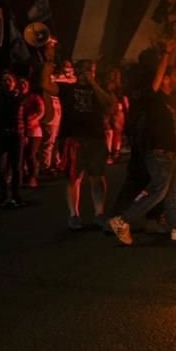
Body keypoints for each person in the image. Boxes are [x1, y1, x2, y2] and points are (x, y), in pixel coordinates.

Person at [108, 40, 176, 245]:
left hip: (168, 150)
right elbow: (157, 79)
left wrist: (172, 48)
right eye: (174, 75)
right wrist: (166, 55)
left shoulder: (164, 98)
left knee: (172, 191)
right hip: (159, 150)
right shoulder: (153, 96)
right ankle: (122, 220)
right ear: (165, 78)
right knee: (159, 189)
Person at [41, 48, 115, 230]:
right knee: (74, 178)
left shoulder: (101, 89)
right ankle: (74, 214)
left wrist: (93, 83)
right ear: (77, 71)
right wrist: (48, 65)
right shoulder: (67, 88)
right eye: (83, 70)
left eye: (90, 70)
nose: (86, 74)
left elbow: (110, 105)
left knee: (97, 176)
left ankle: (99, 213)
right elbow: (45, 85)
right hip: (73, 138)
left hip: (95, 137)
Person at [0, 71, 24, 208]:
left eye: (9, 80)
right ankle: (3, 195)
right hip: (0, 134)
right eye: (4, 80)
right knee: (1, 167)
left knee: (17, 167)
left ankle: (16, 195)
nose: (7, 82)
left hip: (16, 134)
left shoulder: (19, 97)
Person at [18, 77, 45, 187]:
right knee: (22, 155)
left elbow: (41, 111)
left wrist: (33, 119)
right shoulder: (17, 98)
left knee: (30, 154)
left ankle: (32, 177)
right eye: (20, 83)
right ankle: (23, 175)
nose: (22, 86)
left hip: (34, 130)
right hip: (20, 129)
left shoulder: (34, 97)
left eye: (24, 83)